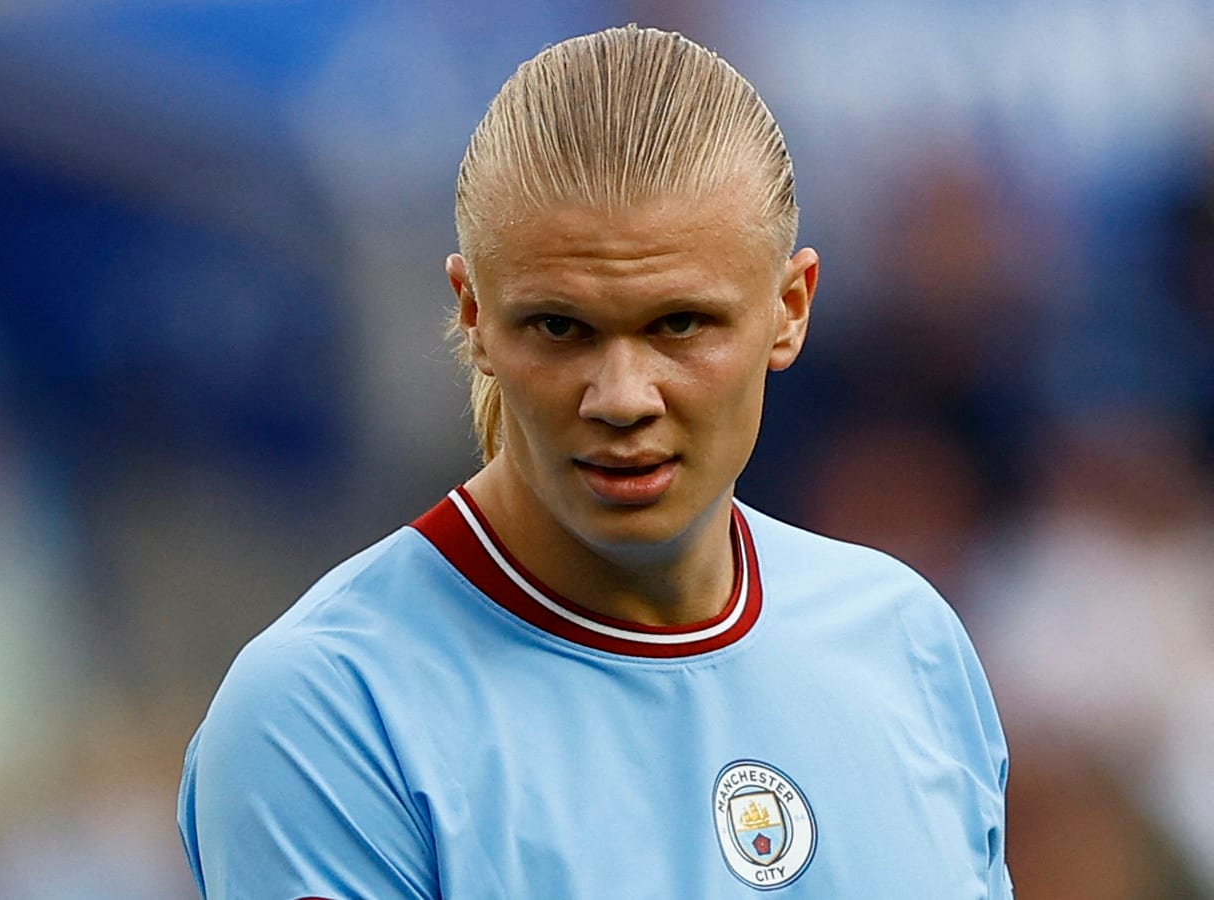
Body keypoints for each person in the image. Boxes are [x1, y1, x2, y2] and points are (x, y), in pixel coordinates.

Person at [178, 25, 1011, 898]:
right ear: (473, 316)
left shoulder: (905, 641)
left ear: (790, 309)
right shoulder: (331, 713)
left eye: (679, 324)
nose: (621, 397)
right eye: (560, 327)